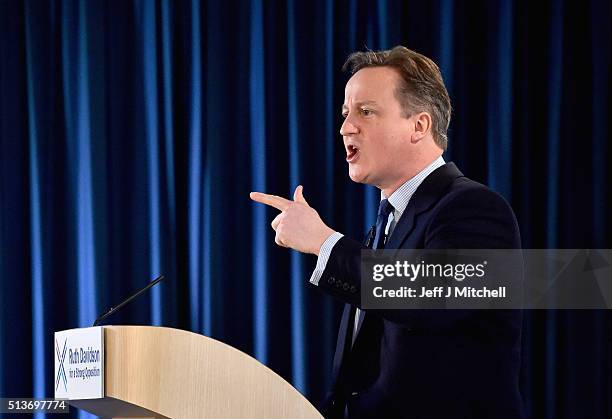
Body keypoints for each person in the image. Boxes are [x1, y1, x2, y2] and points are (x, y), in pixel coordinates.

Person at [250, 46, 524, 419]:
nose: (346, 126)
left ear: (419, 126)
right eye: (346, 113)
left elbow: (429, 298)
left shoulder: (474, 208)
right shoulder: (385, 225)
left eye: (366, 112)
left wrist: (323, 241)